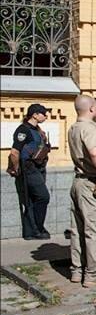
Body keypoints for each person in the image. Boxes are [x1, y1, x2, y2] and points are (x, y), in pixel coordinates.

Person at [67, 95, 96, 287]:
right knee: (95, 230)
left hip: (78, 182)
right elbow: (95, 152)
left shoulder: (75, 128)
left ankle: (77, 271)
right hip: (92, 185)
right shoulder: (88, 130)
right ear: (93, 109)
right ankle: (92, 274)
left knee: (78, 230)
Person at [7, 103, 52, 240]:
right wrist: (16, 169)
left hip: (38, 167)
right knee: (43, 197)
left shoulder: (37, 130)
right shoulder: (23, 130)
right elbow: (14, 152)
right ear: (34, 114)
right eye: (43, 113)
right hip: (29, 168)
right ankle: (37, 228)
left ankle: (30, 232)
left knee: (32, 200)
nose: (46, 116)